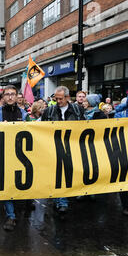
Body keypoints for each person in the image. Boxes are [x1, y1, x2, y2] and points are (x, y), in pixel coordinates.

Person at [41, 86, 85, 214]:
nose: (57, 101)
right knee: (57, 175)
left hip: (72, 148)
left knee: (66, 174)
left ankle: (61, 200)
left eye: (60, 99)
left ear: (67, 97)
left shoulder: (78, 110)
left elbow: (85, 126)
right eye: (56, 98)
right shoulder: (49, 111)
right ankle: (61, 201)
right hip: (54, 148)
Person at [0, 85, 29, 231]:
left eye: (13, 94)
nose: (11, 97)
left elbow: (34, 132)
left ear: (18, 96)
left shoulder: (25, 114)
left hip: (21, 155)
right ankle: (11, 215)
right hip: (3, 155)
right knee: (6, 185)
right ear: (3, 97)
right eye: (7, 94)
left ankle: (19, 208)